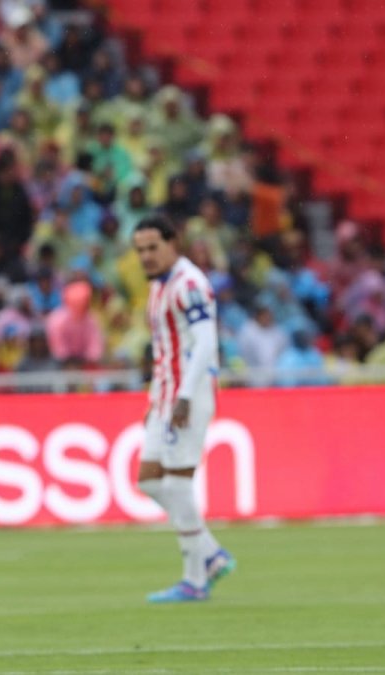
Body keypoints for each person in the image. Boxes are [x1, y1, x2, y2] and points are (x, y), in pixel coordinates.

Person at [131, 216, 235, 603]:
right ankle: (210, 553)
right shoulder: (160, 288)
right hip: (166, 395)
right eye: (140, 250)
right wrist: (155, 400)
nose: (146, 256)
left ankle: (195, 579)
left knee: (176, 483)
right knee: (148, 480)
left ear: (174, 242)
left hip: (187, 396)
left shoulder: (189, 284)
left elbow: (207, 343)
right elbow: (165, 352)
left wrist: (185, 397)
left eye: (153, 247)